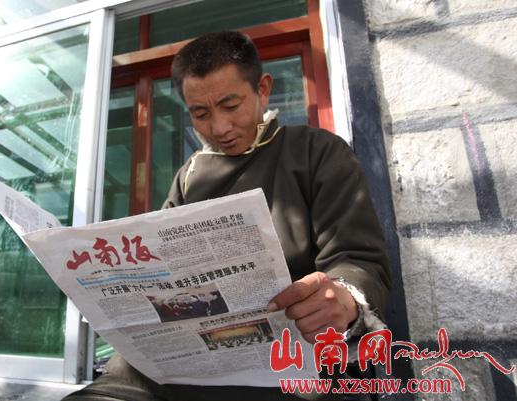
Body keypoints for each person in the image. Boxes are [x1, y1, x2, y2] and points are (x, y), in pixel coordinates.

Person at [63, 30, 390, 401]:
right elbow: (160, 271)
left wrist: (344, 297)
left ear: (263, 89)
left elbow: (358, 258)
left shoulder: (317, 152)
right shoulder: (189, 176)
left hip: (295, 357)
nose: (219, 128)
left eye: (230, 106)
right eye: (200, 114)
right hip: (190, 357)